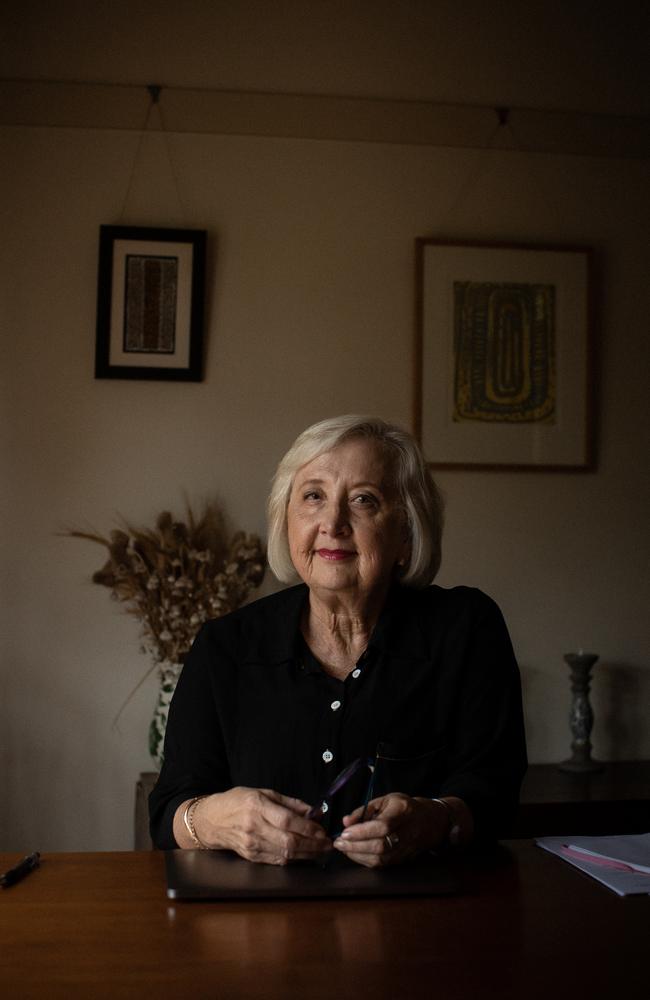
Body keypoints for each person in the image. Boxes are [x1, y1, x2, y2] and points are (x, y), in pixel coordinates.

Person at [149, 415, 527, 866]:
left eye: (364, 500)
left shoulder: (466, 628)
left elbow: (496, 794)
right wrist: (214, 820)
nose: (333, 522)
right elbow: (168, 812)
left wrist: (436, 817)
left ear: (406, 533)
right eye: (313, 496)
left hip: (424, 918)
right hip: (256, 922)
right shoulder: (225, 645)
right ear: (286, 521)